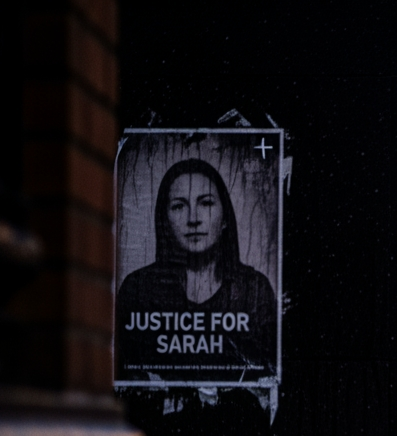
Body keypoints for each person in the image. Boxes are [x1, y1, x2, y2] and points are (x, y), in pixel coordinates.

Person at [116, 158, 277, 381]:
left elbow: (267, 377)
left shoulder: (254, 290)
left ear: (224, 220)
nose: (193, 219)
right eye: (179, 206)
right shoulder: (138, 290)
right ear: (165, 220)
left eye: (206, 203)